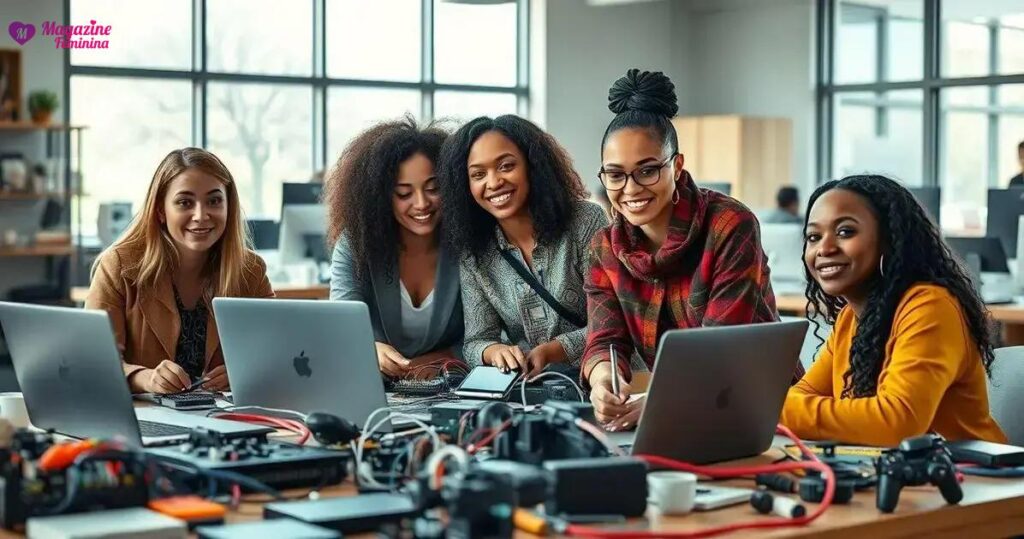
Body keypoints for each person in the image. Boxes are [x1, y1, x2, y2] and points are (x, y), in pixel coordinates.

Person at [582, 69, 797, 428]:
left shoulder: (730, 224)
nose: (631, 188)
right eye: (615, 174)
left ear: (677, 167)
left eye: (647, 170)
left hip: (758, 408)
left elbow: (722, 346)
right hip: (673, 410)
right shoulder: (605, 248)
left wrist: (659, 401)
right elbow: (605, 338)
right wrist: (603, 381)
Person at [780, 175, 1007, 446]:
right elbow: (802, 394)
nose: (824, 248)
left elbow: (897, 422)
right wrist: (776, 409)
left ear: (890, 240)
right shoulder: (850, 319)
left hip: (975, 480)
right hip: (893, 475)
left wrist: (770, 411)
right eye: (813, 237)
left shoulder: (930, 306)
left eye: (845, 232)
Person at [86, 148, 274, 394]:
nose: (201, 215)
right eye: (185, 202)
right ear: (161, 211)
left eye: (214, 201)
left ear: (229, 207)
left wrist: (242, 371)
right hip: (144, 419)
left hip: (223, 419)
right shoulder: (119, 266)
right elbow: (93, 362)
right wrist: (145, 378)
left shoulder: (250, 271)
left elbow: (275, 356)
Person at [437, 115, 608, 379]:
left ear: (532, 165)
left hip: (606, 381)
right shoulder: (474, 252)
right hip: (532, 393)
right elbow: (474, 342)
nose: (493, 183)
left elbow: (612, 321)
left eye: (506, 166)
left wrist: (553, 351)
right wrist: (493, 351)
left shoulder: (585, 221)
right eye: (478, 174)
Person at [326, 116, 464, 380]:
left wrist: (439, 360)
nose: (422, 203)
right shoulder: (357, 243)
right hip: (373, 387)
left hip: (450, 390)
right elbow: (342, 325)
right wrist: (369, 348)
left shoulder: (466, 243)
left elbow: (489, 335)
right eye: (403, 193)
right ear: (380, 197)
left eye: (434, 188)